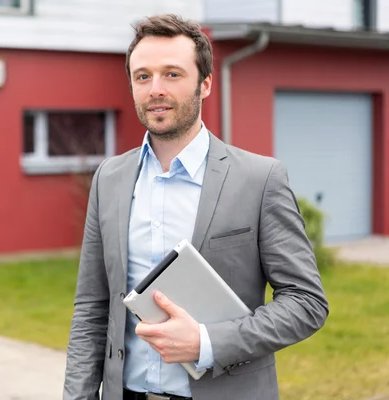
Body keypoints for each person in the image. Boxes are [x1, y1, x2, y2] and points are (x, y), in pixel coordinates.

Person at [63, 13, 329, 400]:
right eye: (143, 76)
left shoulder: (260, 179)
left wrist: (207, 342)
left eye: (172, 74)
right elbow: (91, 306)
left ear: (204, 85)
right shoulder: (109, 178)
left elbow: (306, 303)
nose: (155, 88)